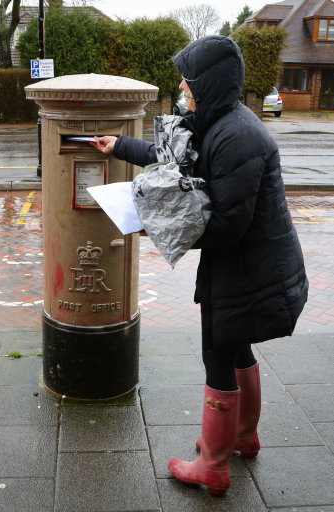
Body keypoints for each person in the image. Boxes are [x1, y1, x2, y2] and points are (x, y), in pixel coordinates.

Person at [93, 35, 308, 496]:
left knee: (218, 352)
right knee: (236, 347)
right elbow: (175, 157)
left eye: (187, 80)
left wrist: (159, 226)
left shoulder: (238, 136)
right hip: (248, 264)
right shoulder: (218, 123)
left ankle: (212, 466)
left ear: (206, 83)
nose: (181, 87)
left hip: (251, 268)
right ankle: (243, 437)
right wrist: (120, 145)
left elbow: (229, 225)